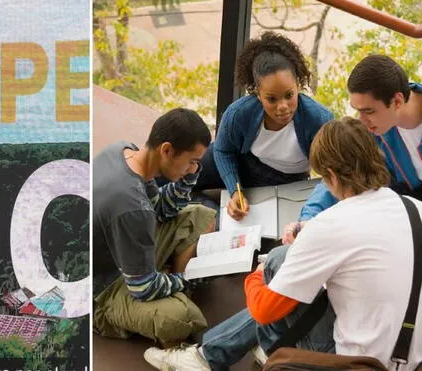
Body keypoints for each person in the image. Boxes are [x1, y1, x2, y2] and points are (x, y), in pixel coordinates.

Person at [144, 117, 422, 370]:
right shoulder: (414, 207)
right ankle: (206, 357)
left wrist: (259, 274)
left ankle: (218, 356)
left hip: (354, 363)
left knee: (278, 263)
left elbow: (264, 310)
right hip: (410, 359)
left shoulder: (333, 224)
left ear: (332, 177)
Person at [93, 108, 216, 345]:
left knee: (199, 215)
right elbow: (143, 288)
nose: (194, 168)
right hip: (102, 289)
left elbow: (162, 210)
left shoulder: (124, 151)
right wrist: (189, 279)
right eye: (192, 162)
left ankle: (168, 284)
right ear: (167, 150)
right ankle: (169, 292)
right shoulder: (132, 206)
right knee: (183, 318)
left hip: (121, 253)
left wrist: (189, 175)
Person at [283, 54, 422, 244]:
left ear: (397, 101)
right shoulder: (377, 127)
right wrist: (309, 220)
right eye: (357, 110)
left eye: (369, 111)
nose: (361, 121)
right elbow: (339, 168)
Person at [194, 31, 333, 221]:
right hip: (240, 163)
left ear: (298, 85)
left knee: (220, 220)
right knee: (175, 172)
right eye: (271, 99)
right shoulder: (239, 114)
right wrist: (235, 189)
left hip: (286, 182)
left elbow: (333, 170)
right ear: (257, 93)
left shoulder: (319, 119)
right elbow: (223, 150)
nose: (282, 106)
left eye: (289, 95)